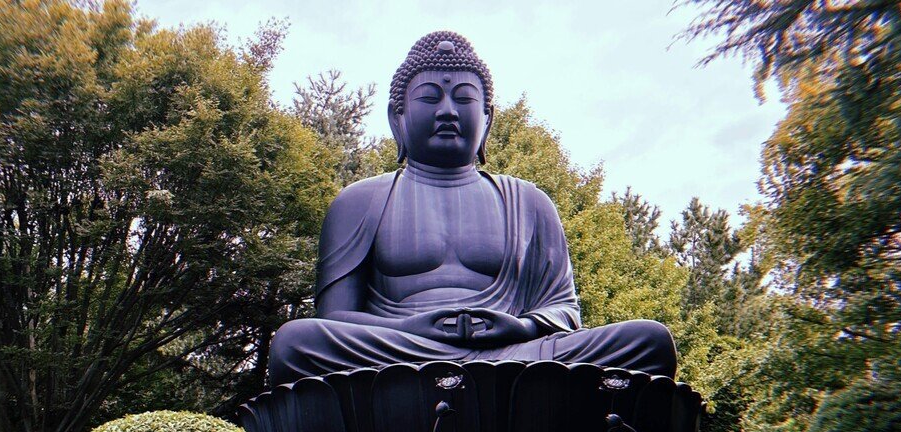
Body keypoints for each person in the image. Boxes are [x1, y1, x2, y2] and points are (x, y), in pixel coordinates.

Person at [268, 31, 677, 386]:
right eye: (429, 97)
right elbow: (334, 318)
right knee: (295, 342)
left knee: (649, 341)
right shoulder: (360, 200)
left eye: (464, 98)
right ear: (397, 117)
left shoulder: (529, 202)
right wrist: (409, 327)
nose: (447, 110)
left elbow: (565, 311)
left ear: (488, 119)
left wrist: (520, 326)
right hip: (400, 352)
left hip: (515, 354)